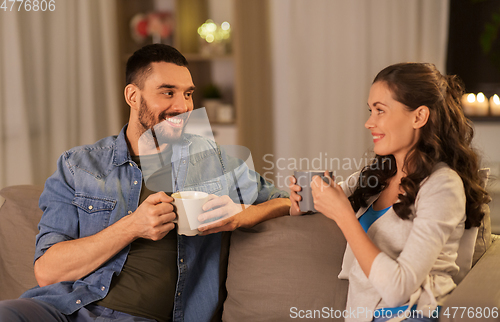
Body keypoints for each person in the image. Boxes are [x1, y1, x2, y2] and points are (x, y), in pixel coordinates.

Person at [0, 44, 290, 322]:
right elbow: (48, 272)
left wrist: (242, 214)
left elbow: (288, 200)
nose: (183, 106)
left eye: (188, 94)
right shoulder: (78, 165)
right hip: (61, 308)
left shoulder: (212, 160)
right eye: (168, 92)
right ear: (133, 96)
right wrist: (134, 226)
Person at [289, 63, 489, 322]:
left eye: (380, 111)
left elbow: (398, 291)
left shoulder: (443, 185)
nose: (369, 122)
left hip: (411, 313)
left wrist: (344, 216)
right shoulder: (377, 175)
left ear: (419, 117)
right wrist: (299, 205)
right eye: (370, 111)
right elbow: (326, 200)